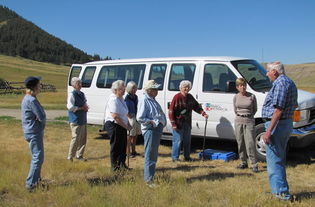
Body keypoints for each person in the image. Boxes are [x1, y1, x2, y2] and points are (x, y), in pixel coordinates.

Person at [262, 61, 297, 201]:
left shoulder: (281, 84)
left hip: (278, 125)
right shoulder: (289, 82)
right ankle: (279, 189)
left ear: (275, 72)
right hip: (284, 124)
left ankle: (281, 194)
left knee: (274, 160)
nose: (266, 73)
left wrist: (268, 131)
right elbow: (294, 105)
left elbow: (278, 110)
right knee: (278, 158)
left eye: (268, 71)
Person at [169, 80, 208, 162]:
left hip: (187, 122)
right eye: (184, 87)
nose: (186, 88)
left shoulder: (190, 97)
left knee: (187, 141)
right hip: (178, 123)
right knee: (178, 141)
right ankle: (175, 158)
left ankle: (187, 157)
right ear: (181, 88)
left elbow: (196, 106)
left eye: (188, 87)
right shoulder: (177, 97)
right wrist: (173, 124)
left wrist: (203, 113)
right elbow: (171, 111)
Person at [137, 80, 166, 187]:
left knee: (153, 154)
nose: (157, 91)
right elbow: (140, 117)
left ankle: (150, 177)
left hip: (155, 129)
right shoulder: (144, 100)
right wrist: (153, 123)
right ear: (149, 90)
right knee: (150, 154)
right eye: (155, 89)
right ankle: (148, 180)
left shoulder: (152, 100)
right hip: (150, 130)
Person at [21, 76, 46, 191]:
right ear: (34, 87)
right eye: (39, 84)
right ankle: (30, 184)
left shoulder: (28, 98)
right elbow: (41, 116)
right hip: (34, 131)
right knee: (38, 157)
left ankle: (37, 180)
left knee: (37, 157)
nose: (40, 86)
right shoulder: (31, 100)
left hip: (30, 130)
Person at [104, 80, 132, 171]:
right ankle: (115, 167)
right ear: (115, 90)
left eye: (124, 89)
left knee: (123, 145)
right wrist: (126, 126)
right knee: (116, 146)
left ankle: (122, 164)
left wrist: (127, 123)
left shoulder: (121, 99)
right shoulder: (113, 99)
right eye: (121, 89)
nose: (124, 91)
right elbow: (115, 116)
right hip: (114, 125)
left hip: (122, 125)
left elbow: (124, 114)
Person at [233, 78, 258, 172]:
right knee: (240, 143)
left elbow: (254, 109)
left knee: (250, 143)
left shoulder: (252, 96)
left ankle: (254, 164)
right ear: (237, 87)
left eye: (244, 85)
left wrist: (248, 116)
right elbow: (235, 110)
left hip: (249, 121)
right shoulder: (236, 97)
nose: (242, 87)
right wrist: (241, 115)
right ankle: (243, 162)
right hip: (239, 120)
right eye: (240, 85)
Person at [67, 77, 89, 162]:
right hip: (75, 119)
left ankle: (79, 155)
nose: (80, 85)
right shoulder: (72, 94)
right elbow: (70, 107)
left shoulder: (82, 94)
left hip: (83, 119)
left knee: (83, 138)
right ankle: (70, 156)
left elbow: (85, 103)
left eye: (80, 83)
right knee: (75, 138)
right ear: (73, 85)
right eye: (78, 83)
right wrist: (81, 108)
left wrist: (86, 107)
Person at [125, 81, 142, 158]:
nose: (135, 89)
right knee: (130, 136)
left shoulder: (135, 97)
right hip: (130, 118)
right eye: (133, 88)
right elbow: (124, 108)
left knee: (135, 135)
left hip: (136, 116)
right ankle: (128, 152)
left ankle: (133, 151)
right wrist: (128, 115)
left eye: (135, 88)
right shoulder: (126, 97)